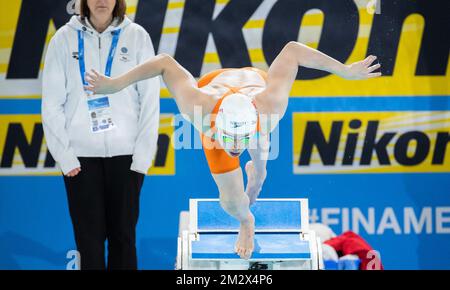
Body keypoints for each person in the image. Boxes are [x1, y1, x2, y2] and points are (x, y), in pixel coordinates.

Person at [84, 41, 381, 260]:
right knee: (231, 200)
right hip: (216, 88)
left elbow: (292, 51)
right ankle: (246, 221)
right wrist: (114, 85)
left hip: (254, 87)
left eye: (242, 140)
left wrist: (345, 71)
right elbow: (164, 62)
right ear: (218, 128)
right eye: (231, 140)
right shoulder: (198, 108)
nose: (236, 148)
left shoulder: (270, 105)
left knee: (261, 169)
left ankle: (258, 173)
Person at [41, 0, 160, 269]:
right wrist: (66, 157)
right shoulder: (63, 39)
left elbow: (150, 101)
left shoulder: (137, 36)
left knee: (124, 240)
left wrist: (142, 158)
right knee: (88, 244)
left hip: (126, 158)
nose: (102, 1)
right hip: (81, 162)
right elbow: (51, 103)